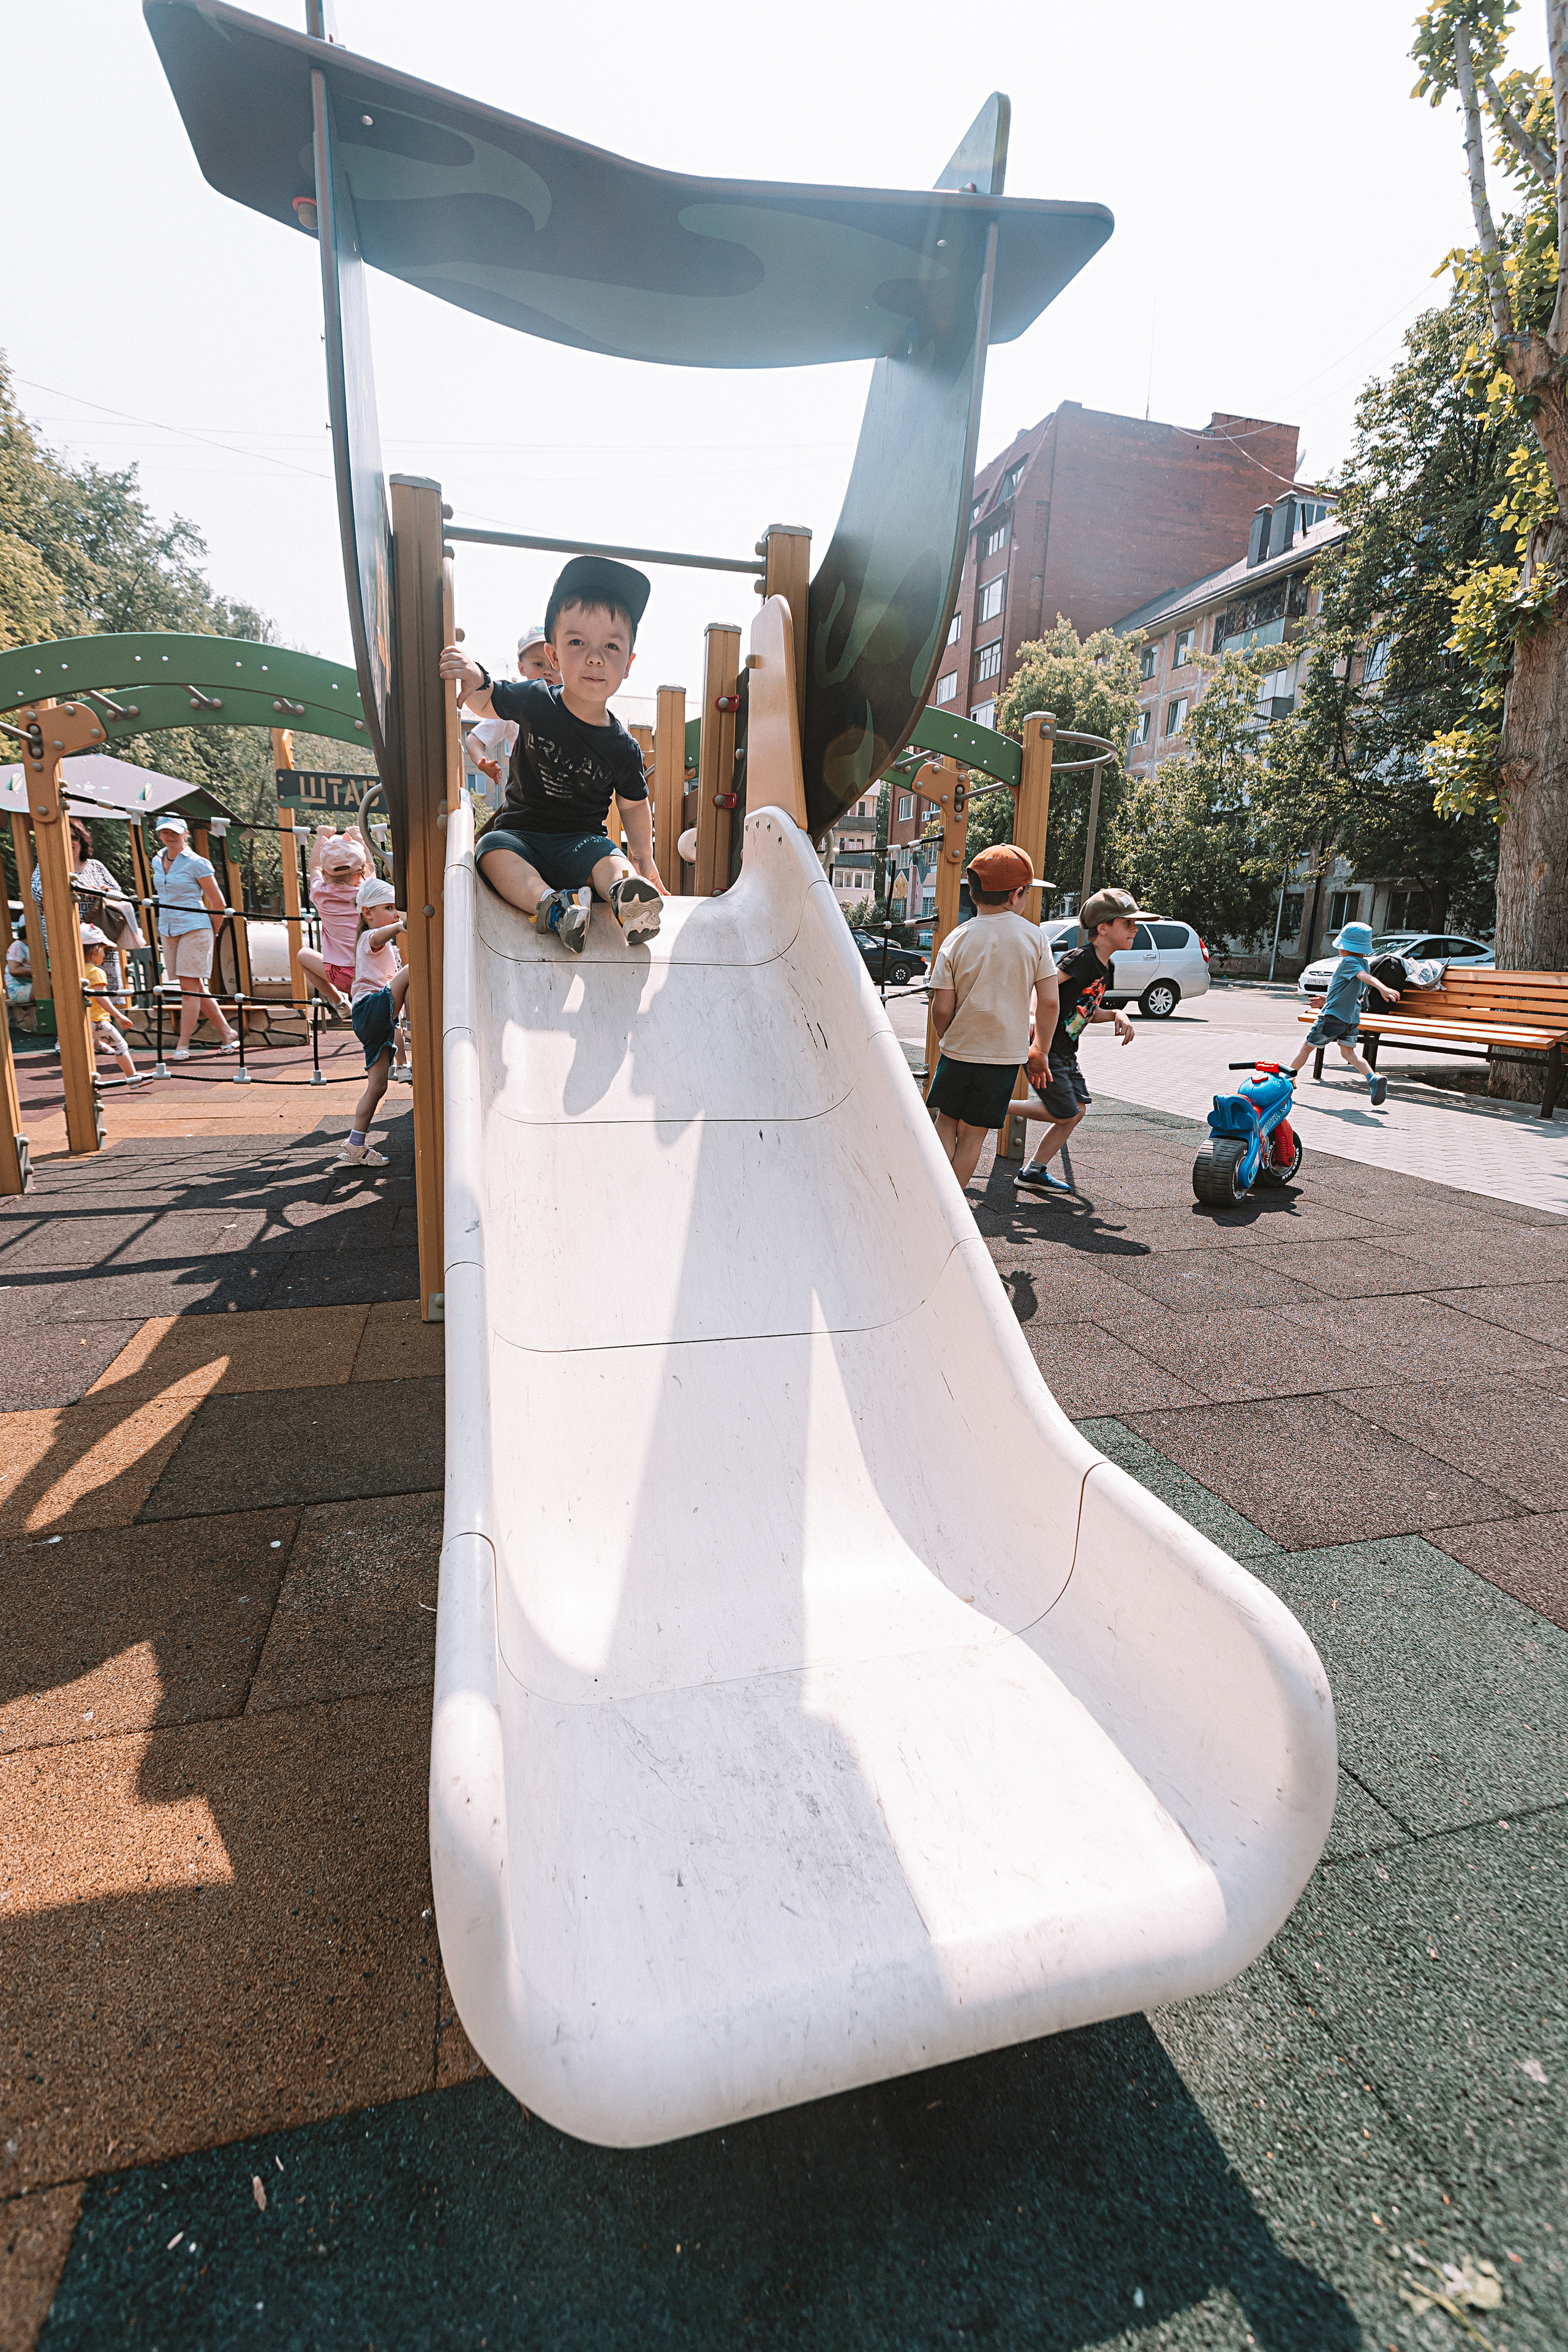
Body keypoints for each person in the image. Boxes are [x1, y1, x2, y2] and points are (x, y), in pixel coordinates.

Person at [438, 556, 665, 954]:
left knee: (610, 858)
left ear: (628, 664)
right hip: (522, 834)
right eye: (578, 642)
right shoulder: (536, 699)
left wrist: (644, 858)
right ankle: (555, 908)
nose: (595, 657)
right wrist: (476, 678)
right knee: (491, 851)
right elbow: (489, 702)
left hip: (581, 842)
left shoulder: (621, 745)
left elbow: (633, 804)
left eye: (611, 646)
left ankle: (628, 899)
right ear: (555, 655)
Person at [925, 845, 1060, 1190]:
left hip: (958, 1051)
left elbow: (941, 1007)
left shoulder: (956, 939)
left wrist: (949, 1036)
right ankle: (951, 1210)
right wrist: (1040, 1050)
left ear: (973, 894)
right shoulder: (1035, 938)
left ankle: (934, 1197)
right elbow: (1048, 1002)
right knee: (973, 1137)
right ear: (1018, 894)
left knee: (946, 1123)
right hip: (1002, 1058)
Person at [1014, 886, 1139, 1197]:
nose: (1135, 929)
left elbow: (1084, 1013)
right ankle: (996, 1106)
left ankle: (1034, 1171)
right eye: (1128, 923)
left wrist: (1115, 1015)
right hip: (1047, 1048)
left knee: (1077, 1110)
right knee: (1066, 1112)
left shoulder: (1105, 966)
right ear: (1103, 927)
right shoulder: (1082, 959)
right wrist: (1032, 1017)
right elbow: (1041, 986)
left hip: (1066, 1052)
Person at [334, 876, 410, 1171]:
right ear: (367, 913)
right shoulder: (369, 939)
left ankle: (355, 1143)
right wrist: (404, 924)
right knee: (412, 969)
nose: (395, 913)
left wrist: (402, 1059)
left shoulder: (390, 949)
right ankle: (411, 1044)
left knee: (377, 1086)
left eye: (396, 909)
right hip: (368, 1008)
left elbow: (394, 1018)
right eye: (389, 908)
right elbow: (380, 937)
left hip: (378, 1018)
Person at [149, 813, 238, 1059]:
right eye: (165, 832)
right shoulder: (157, 860)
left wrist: (211, 931)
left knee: (188, 989)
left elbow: (218, 903)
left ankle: (183, 1044)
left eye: (175, 832)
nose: (170, 836)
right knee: (194, 986)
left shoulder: (197, 862)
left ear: (185, 833)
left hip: (195, 927)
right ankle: (228, 1033)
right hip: (168, 928)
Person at [1290, 917, 1399, 1106]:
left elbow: (1364, 978)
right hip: (1351, 1019)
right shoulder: (1363, 963)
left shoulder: (1349, 962)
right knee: (1348, 1054)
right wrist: (1326, 1000)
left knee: (1307, 1047)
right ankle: (1373, 1078)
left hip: (1332, 1017)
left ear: (1345, 947)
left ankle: (1287, 1080)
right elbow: (1348, 991)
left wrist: (1383, 988)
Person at [31, 816, 145, 997]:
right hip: (65, 936)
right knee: (74, 988)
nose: (71, 842)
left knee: (104, 986)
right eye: (65, 837)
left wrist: (103, 892)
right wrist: (80, 891)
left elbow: (119, 894)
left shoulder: (96, 866)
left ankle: (111, 1020)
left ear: (82, 841)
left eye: (75, 838)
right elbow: (38, 895)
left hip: (100, 936)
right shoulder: (47, 866)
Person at [466, 625, 559, 796]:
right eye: (538, 664)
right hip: (524, 802)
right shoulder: (516, 706)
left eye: (555, 663)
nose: (548, 671)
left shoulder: (573, 705)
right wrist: (481, 760)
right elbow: (474, 739)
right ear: (522, 668)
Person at [300, 830, 370, 1011]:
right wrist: (360, 838)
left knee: (303, 956)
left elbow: (313, 867)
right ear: (361, 874)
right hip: (372, 972)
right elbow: (372, 867)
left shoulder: (321, 893)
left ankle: (339, 1002)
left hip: (341, 975)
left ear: (325, 875)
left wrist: (319, 837)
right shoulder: (368, 892)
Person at [78, 924, 141, 1084]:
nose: (104, 955)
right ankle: (132, 1077)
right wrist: (118, 1016)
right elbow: (101, 996)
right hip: (98, 1021)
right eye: (103, 950)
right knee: (121, 1046)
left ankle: (80, 1083)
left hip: (80, 1020)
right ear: (95, 951)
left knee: (82, 1053)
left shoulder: (75, 970)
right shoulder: (96, 972)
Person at [6, 938, 32, 1005]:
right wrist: (38, 971)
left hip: (29, 986)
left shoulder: (27, 947)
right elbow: (14, 971)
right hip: (18, 990)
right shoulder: (18, 946)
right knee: (55, 985)